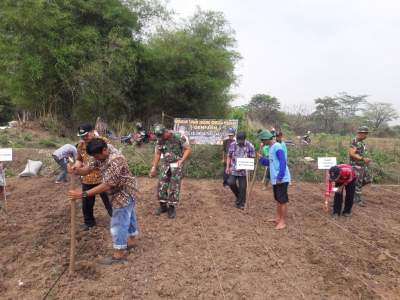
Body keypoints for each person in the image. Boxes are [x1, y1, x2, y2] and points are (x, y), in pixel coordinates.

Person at [68, 138, 138, 265]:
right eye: (94, 156)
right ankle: (131, 241)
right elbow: (88, 169)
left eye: (97, 156)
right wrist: (77, 170)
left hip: (123, 192)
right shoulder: (99, 152)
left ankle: (119, 254)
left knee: (119, 222)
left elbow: (106, 185)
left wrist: (82, 194)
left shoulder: (116, 160)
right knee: (129, 215)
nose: (96, 158)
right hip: (126, 187)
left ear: (105, 150)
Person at [70, 123, 113, 230]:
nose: (84, 138)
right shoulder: (80, 145)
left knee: (110, 201)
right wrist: (76, 167)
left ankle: (116, 220)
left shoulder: (103, 142)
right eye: (82, 136)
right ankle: (89, 223)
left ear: (93, 132)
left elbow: (111, 158)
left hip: (103, 178)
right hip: (87, 178)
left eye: (86, 135)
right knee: (87, 204)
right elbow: (79, 159)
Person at [149, 124, 192, 219]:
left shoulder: (179, 136)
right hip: (166, 164)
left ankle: (171, 207)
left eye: (162, 135)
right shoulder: (160, 140)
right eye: (159, 136)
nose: (161, 138)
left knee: (174, 186)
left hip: (177, 164)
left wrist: (182, 160)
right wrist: (154, 167)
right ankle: (163, 206)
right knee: (162, 184)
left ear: (166, 131)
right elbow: (158, 153)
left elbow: (188, 149)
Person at [259, 130, 291, 230]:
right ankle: (278, 218)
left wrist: (280, 176)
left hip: (281, 178)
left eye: (263, 140)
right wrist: (261, 159)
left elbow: (283, 161)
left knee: (282, 200)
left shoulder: (277, 146)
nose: (262, 142)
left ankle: (282, 222)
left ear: (267, 139)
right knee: (278, 199)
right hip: (275, 178)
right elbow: (270, 162)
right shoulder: (270, 148)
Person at [226, 132, 256, 209]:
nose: (240, 143)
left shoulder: (250, 146)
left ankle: (240, 203)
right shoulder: (232, 145)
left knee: (243, 187)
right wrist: (227, 167)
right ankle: (239, 196)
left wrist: (243, 166)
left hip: (244, 171)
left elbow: (252, 158)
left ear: (244, 139)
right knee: (230, 182)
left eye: (241, 141)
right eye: (239, 141)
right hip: (234, 168)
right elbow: (229, 156)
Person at [349, 126, 372, 206]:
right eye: (365, 133)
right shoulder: (355, 141)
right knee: (358, 183)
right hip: (356, 166)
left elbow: (361, 153)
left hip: (362, 165)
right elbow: (351, 153)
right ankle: (357, 200)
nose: (366, 135)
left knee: (368, 179)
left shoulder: (362, 142)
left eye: (366, 133)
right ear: (360, 133)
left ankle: (352, 189)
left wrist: (366, 160)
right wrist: (362, 158)